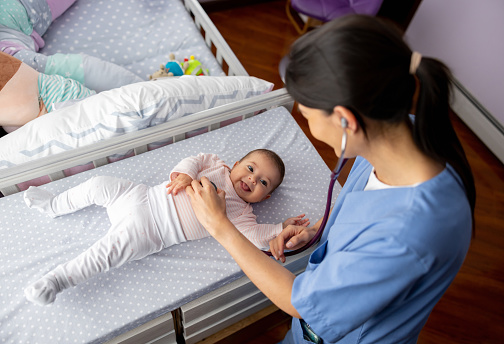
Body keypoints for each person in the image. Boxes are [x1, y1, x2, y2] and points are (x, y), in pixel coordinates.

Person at [185, 15, 475, 343]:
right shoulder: (394, 135)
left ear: (345, 120)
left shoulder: (408, 234)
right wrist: (321, 228)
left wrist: (221, 226)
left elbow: (300, 302)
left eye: (306, 115)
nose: (307, 123)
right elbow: (365, 210)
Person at [22, 149, 309, 306]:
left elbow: (257, 239)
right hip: (141, 195)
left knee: (106, 252)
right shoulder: (216, 165)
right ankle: (54, 205)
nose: (252, 179)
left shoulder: (242, 216)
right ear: (235, 164)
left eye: (263, 183)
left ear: (266, 197)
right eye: (250, 168)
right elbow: (195, 158)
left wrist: (279, 228)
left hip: (152, 231)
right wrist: (185, 174)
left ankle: (56, 281)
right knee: (98, 185)